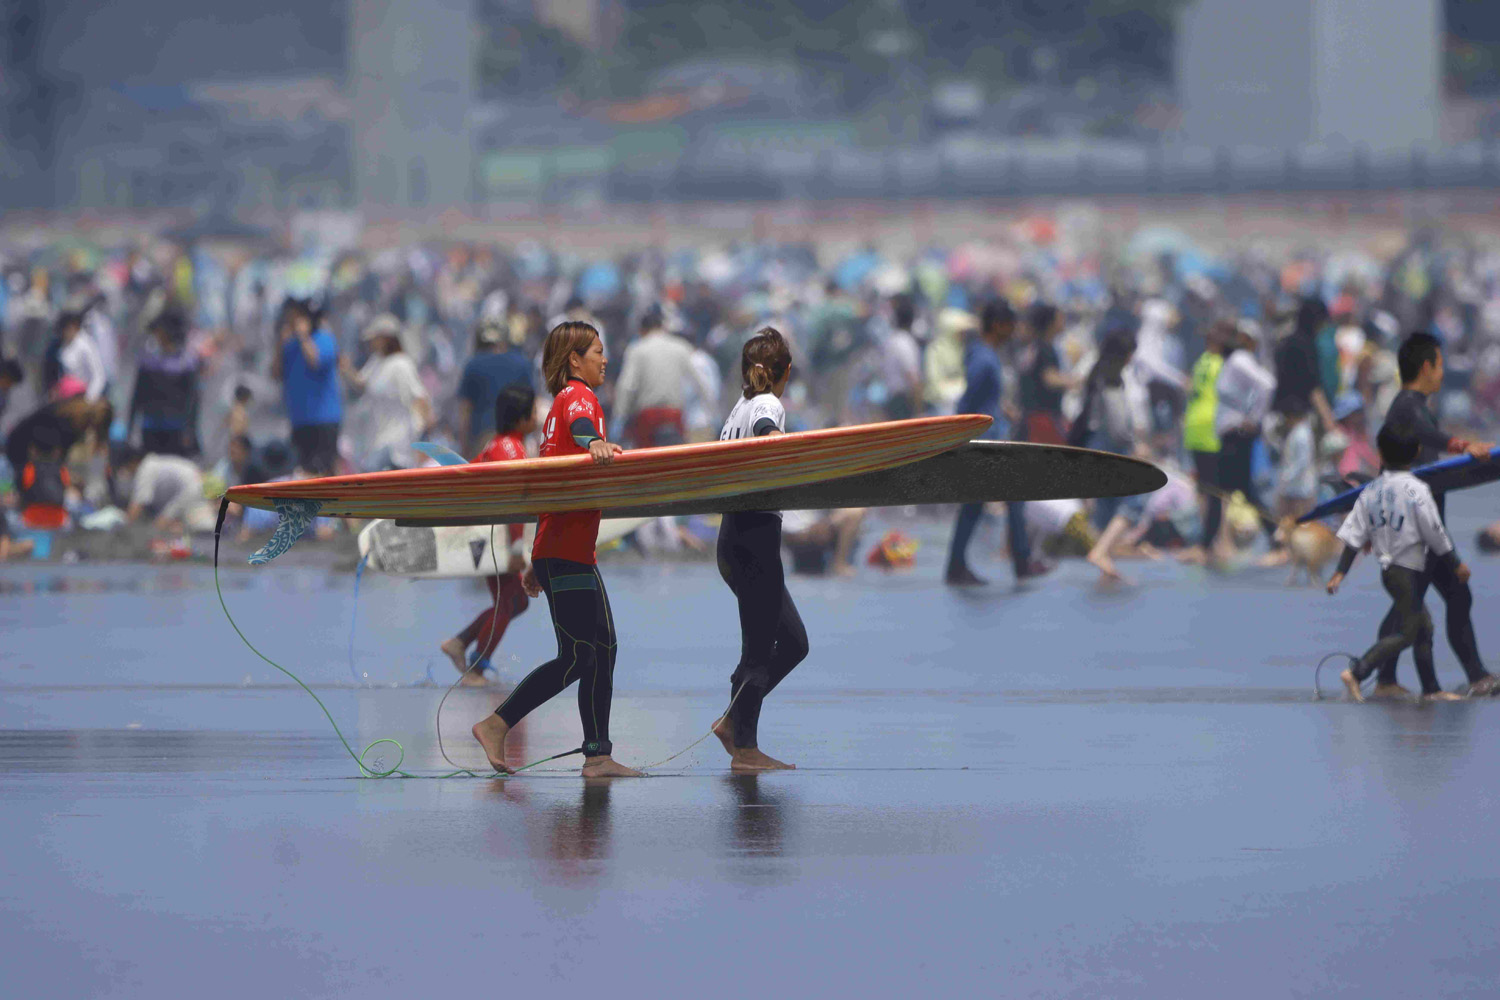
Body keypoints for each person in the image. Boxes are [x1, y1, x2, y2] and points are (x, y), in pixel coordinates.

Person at [471, 321, 640, 778]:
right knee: (581, 654)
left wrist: (535, 558)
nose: (605, 360)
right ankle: (498, 724)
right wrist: (595, 442)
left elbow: (552, 487)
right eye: (598, 352)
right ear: (575, 360)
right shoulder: (579, 396)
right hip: (566, 550)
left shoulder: (556, 409)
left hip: (564, 549)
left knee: (600, 649)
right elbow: (584, 427)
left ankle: (598, 754)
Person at [1373, 332, 1498, 697]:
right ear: (1426, 367)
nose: (1443, 372)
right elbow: (1427, 435)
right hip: (1415, 526)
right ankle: (1385, 679)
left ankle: (1475, 677)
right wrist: (1464, 445)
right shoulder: (1407, 406)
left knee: (1452, 596)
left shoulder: (1413, 407)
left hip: (1425, 523)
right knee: (1413, 604)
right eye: (1440, 365)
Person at [709, 327, 809, 770]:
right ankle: (745, 749)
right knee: (760, 647)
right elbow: (769, 435)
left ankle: (734, 722)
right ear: (784, 372)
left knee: (792, 642)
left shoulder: (739, 408)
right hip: (755, 537)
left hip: (734, 536)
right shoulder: (768, 404)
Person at [1327, 426, 1465, 702]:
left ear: (1379, 453)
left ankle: (1429, 690)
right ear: (1416, 452)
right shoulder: (1417, 489)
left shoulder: (1371, 491)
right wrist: (1455, 563)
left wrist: (1340, 572)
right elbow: (1435, 531)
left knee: (1423, 627)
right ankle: (1358, 672)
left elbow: (1354, 536)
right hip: (1407, 572)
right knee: (1407, 633)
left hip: (1390, 573)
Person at [440, 384, 535, 686]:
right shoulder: (511, 450)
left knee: (516, 601)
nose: (537, 417)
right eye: (534, 412)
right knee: (510, 602)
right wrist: (517, 547)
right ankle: (476, 669)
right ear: (522, 419)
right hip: (495, 537)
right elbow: (514, 500)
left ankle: (460, 643)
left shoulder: (500, 445)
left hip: (487, 534)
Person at [945, 300, 1042, 586]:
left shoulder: (986, 355)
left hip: (989, 438)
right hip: (984, 442)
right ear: (998, 325)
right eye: (1010, 325)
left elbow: (983, 398)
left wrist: (1002, 409)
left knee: (981, 503)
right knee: (998, 499)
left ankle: (961, 565)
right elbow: (968, 400)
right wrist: (959, 435)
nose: (1013, 331)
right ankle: (1019, 562)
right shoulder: (984, 358)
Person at [1215, 319, 1279, 551]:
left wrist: (1254, 419)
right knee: (1241, 490)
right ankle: (1274, 535)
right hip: (1232, 433)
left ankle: (1220, 543)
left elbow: (1267, 384)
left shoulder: (1239, 359)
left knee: (1223, 490)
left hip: (1236, 434)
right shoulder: (1235, 361)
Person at [340, 313, 433, 471]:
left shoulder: (402, 364)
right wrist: (346, 368)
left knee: (372, 473)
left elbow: (419, 397)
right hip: (376, 437)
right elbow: (362, 382)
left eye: (376, 339)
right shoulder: (376, 361)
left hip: (396, 443)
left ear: (386, 339)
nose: (372, 343)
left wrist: (424, 434)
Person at [611, 304, 712, 447]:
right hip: (674, 413)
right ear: (663, 326)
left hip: (647, 416)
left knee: (647, 457)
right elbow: (700, 382)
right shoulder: (680, 346)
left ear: (642, 330)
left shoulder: (637, 349)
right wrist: (711, 412)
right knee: (676, 455)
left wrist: (619, 416)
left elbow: (627, 386)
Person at [271, 298, 342, 475]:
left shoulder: (324, 339)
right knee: (302, 473)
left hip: (323, 419)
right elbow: (275, 373)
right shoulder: (290, 346)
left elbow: (315, 361)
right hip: (299, 420)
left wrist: (303, 337)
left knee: (324, 472)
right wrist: (280, 345)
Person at [1180, 319, 1226, 561]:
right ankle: (1209, 545)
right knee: (1215, 491)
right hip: (1212, 430)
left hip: (1194, 427)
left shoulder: (1201, 361)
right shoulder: (1222, 364)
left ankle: (1208, 542)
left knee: (1204, 491)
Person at [128, 308, 201, 457]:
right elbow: (137, 396)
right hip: (150, 426)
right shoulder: (149, 361)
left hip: (176, 428)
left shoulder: (186, 364)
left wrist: (190, 430)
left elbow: (193, 401)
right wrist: (130, 427)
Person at [456, 316, 531, 458]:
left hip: (483, 441)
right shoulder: (522, 364)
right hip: (517, 442)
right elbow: (532, 407)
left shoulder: (472, 366)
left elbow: (465, 412)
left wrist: (464, 448)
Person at [116, 444, 216, 533]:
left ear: (132, 462)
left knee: (161, 524)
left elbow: (138, 503)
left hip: (190, 488)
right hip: (196, 482)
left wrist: (125, 527)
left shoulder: (145, 468)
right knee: (195, 523)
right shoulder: (153, 463)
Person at [1017, 301, 1073, 445]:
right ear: (1050, 323)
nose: (1063, 321)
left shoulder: (1033, 347)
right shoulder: (1045, 349)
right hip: (1044, 417)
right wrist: (1076, 381)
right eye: (1059, 318)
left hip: (1031, 416)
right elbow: (1049, 379)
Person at [18, 425, 70, 530]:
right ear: (56, 451)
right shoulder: (62, 469)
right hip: (58, 519)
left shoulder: (30, 468)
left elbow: (23, 489)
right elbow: (66, 487)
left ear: (33, 450)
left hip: (32, 519)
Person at [1275, 399, 1316, 522]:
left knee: (1298, 522)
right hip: (1294, 488)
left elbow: (1302, 462)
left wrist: (1286, 478)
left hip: (1300, 489)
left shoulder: (1302, 434)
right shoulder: (1298, 431)